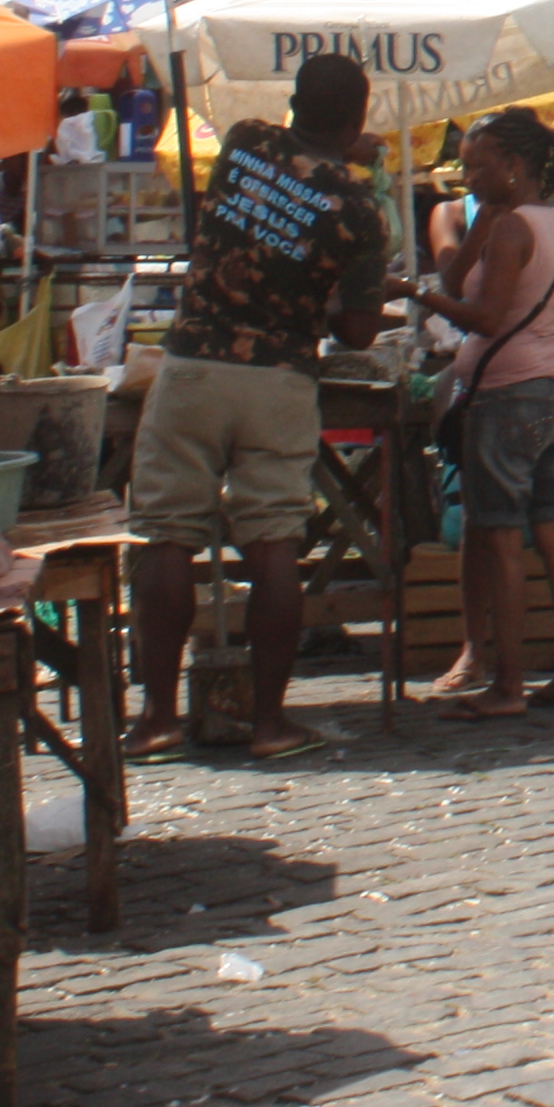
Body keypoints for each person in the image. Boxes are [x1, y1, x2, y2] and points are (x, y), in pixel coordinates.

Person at [125, 54, 393, 766]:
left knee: (166, 534)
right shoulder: (362, 212)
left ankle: (155, 716)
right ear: (359, 117)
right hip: (279, 377)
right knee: (273, 541)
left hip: (193, 362)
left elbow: (295, 160)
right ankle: (269, 722)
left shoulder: (244, 145)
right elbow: (359, 333)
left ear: (292, 102)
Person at [421, 111, 554, 720]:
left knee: (503, 536)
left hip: (508, 398)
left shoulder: (511, 233)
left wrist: (412, 294)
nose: (467, 176)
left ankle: (507, 684)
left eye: (478, 165)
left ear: (513, 166)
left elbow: (482, 318)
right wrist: (478, 231)